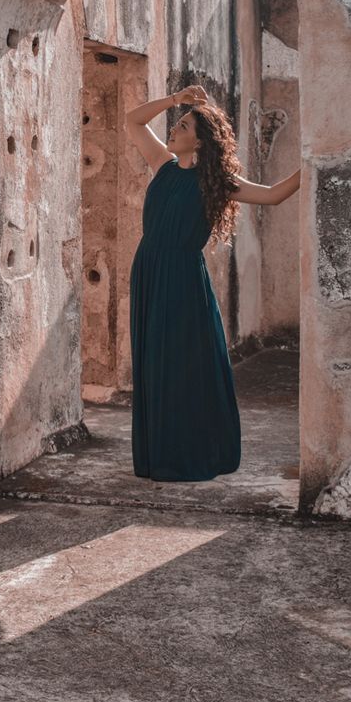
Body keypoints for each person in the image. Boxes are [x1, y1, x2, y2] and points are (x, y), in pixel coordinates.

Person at [125, 84, 301, 482]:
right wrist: (175, 100)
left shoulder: (219, 182)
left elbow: (274, 195)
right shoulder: (162, 163)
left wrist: (314, 162)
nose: (173, 128)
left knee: (185, 365)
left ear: (200, 141)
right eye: (177, 123)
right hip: (149, 272)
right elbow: (132, 119)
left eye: (183, 125)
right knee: (154, 363)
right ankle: (158, 453)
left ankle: (190, 453)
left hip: (184, 279)